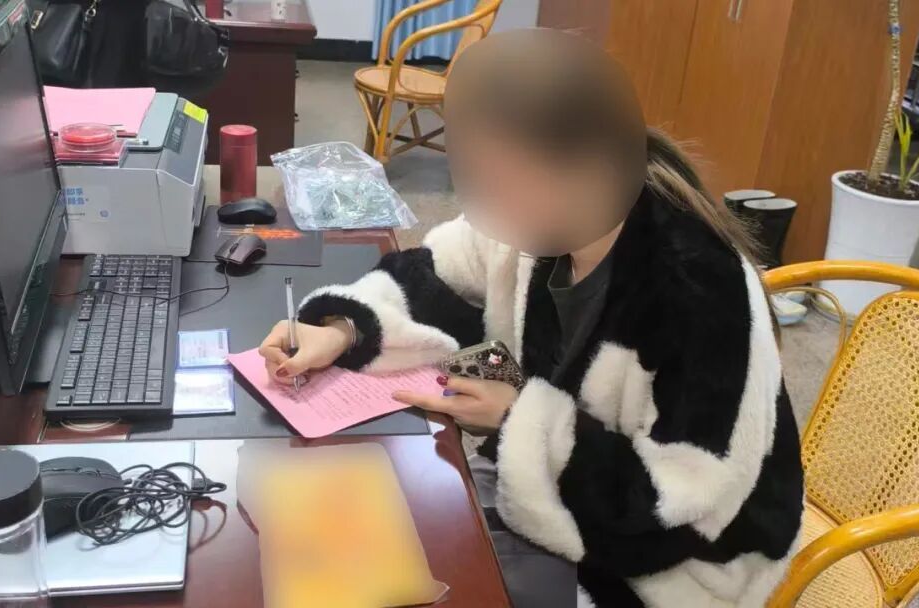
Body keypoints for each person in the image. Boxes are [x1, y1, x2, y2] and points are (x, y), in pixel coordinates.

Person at [258, 29, 803, 608]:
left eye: (499, 184)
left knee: (417, 574)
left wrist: (518, 416)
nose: (484, 207)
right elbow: (433, 273)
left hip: (674, 568)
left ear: (583, 171)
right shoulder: (541, 218)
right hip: (562, 499)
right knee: (382, 533)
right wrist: (340, 329)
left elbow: (683, 505)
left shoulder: (697, 290)